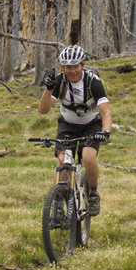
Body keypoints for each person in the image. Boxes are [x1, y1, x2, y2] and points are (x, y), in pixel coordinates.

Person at [38, 45, 112, 216]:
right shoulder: (59, 81)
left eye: (76, 66)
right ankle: (58, 203)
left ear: (82, 65)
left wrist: (105, 131)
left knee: (88, 156)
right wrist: (48, 90)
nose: (72, 71)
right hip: (67, 125)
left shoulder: (93, 82)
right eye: (68, 67)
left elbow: (106, 112)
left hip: (91, 125)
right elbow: (43, 110)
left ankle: (93, 193)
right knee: (63, 160)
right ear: (63, 68)